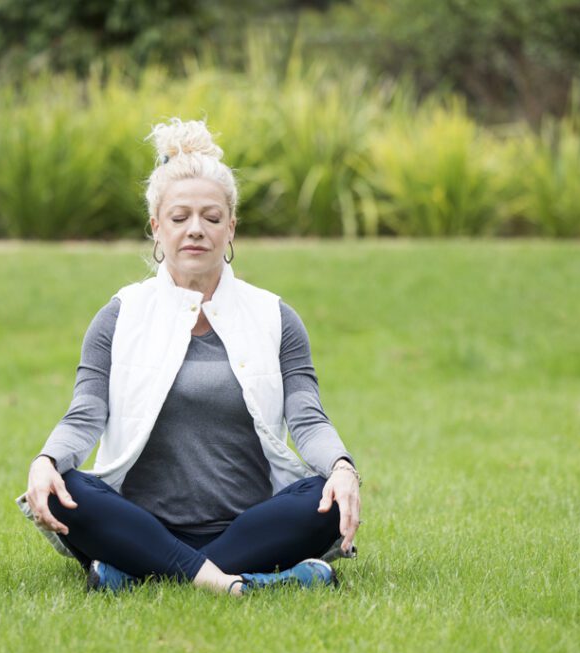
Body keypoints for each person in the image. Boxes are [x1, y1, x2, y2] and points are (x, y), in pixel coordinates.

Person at [21, 118, 362, 595]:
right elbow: (86, 413)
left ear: (231, 227)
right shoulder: (119, 315)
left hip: (247, 526)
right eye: (180, 218)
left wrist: (343, 469)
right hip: (140, 521)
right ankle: (254, 581)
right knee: (69, 489)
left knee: (322, 498)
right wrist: (46, 461)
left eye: (212, 217)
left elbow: (307, 417)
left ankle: (137, 573)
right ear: (157, 229)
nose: (196, 230)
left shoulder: (275, 316)